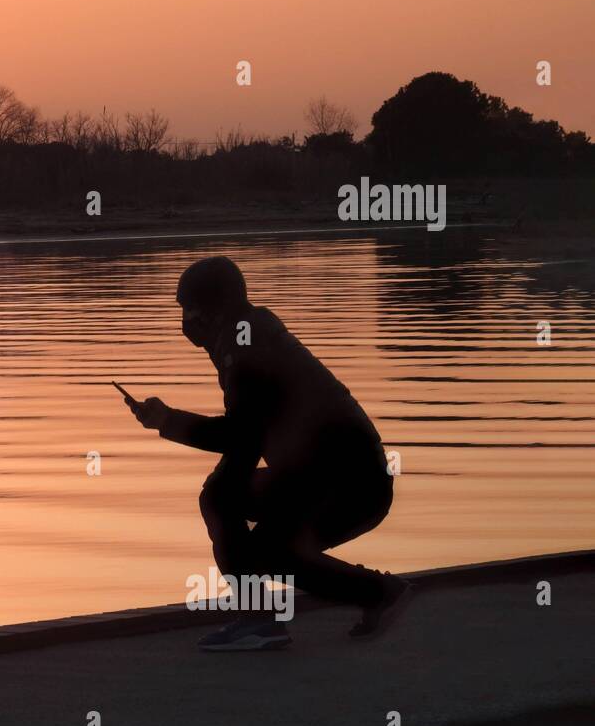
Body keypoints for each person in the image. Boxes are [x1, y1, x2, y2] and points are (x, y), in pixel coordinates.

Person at [126, 256, 412, 650]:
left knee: (246, 524)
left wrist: (168, 422)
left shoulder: (246, 348)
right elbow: (249, 439)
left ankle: (265, 619)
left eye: (189, 308)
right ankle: (372, 594)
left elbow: (240, 438)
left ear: (215, 307)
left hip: (348, 487)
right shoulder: (248, 335)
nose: (185, 320)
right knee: (241, 518)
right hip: (331, 479)